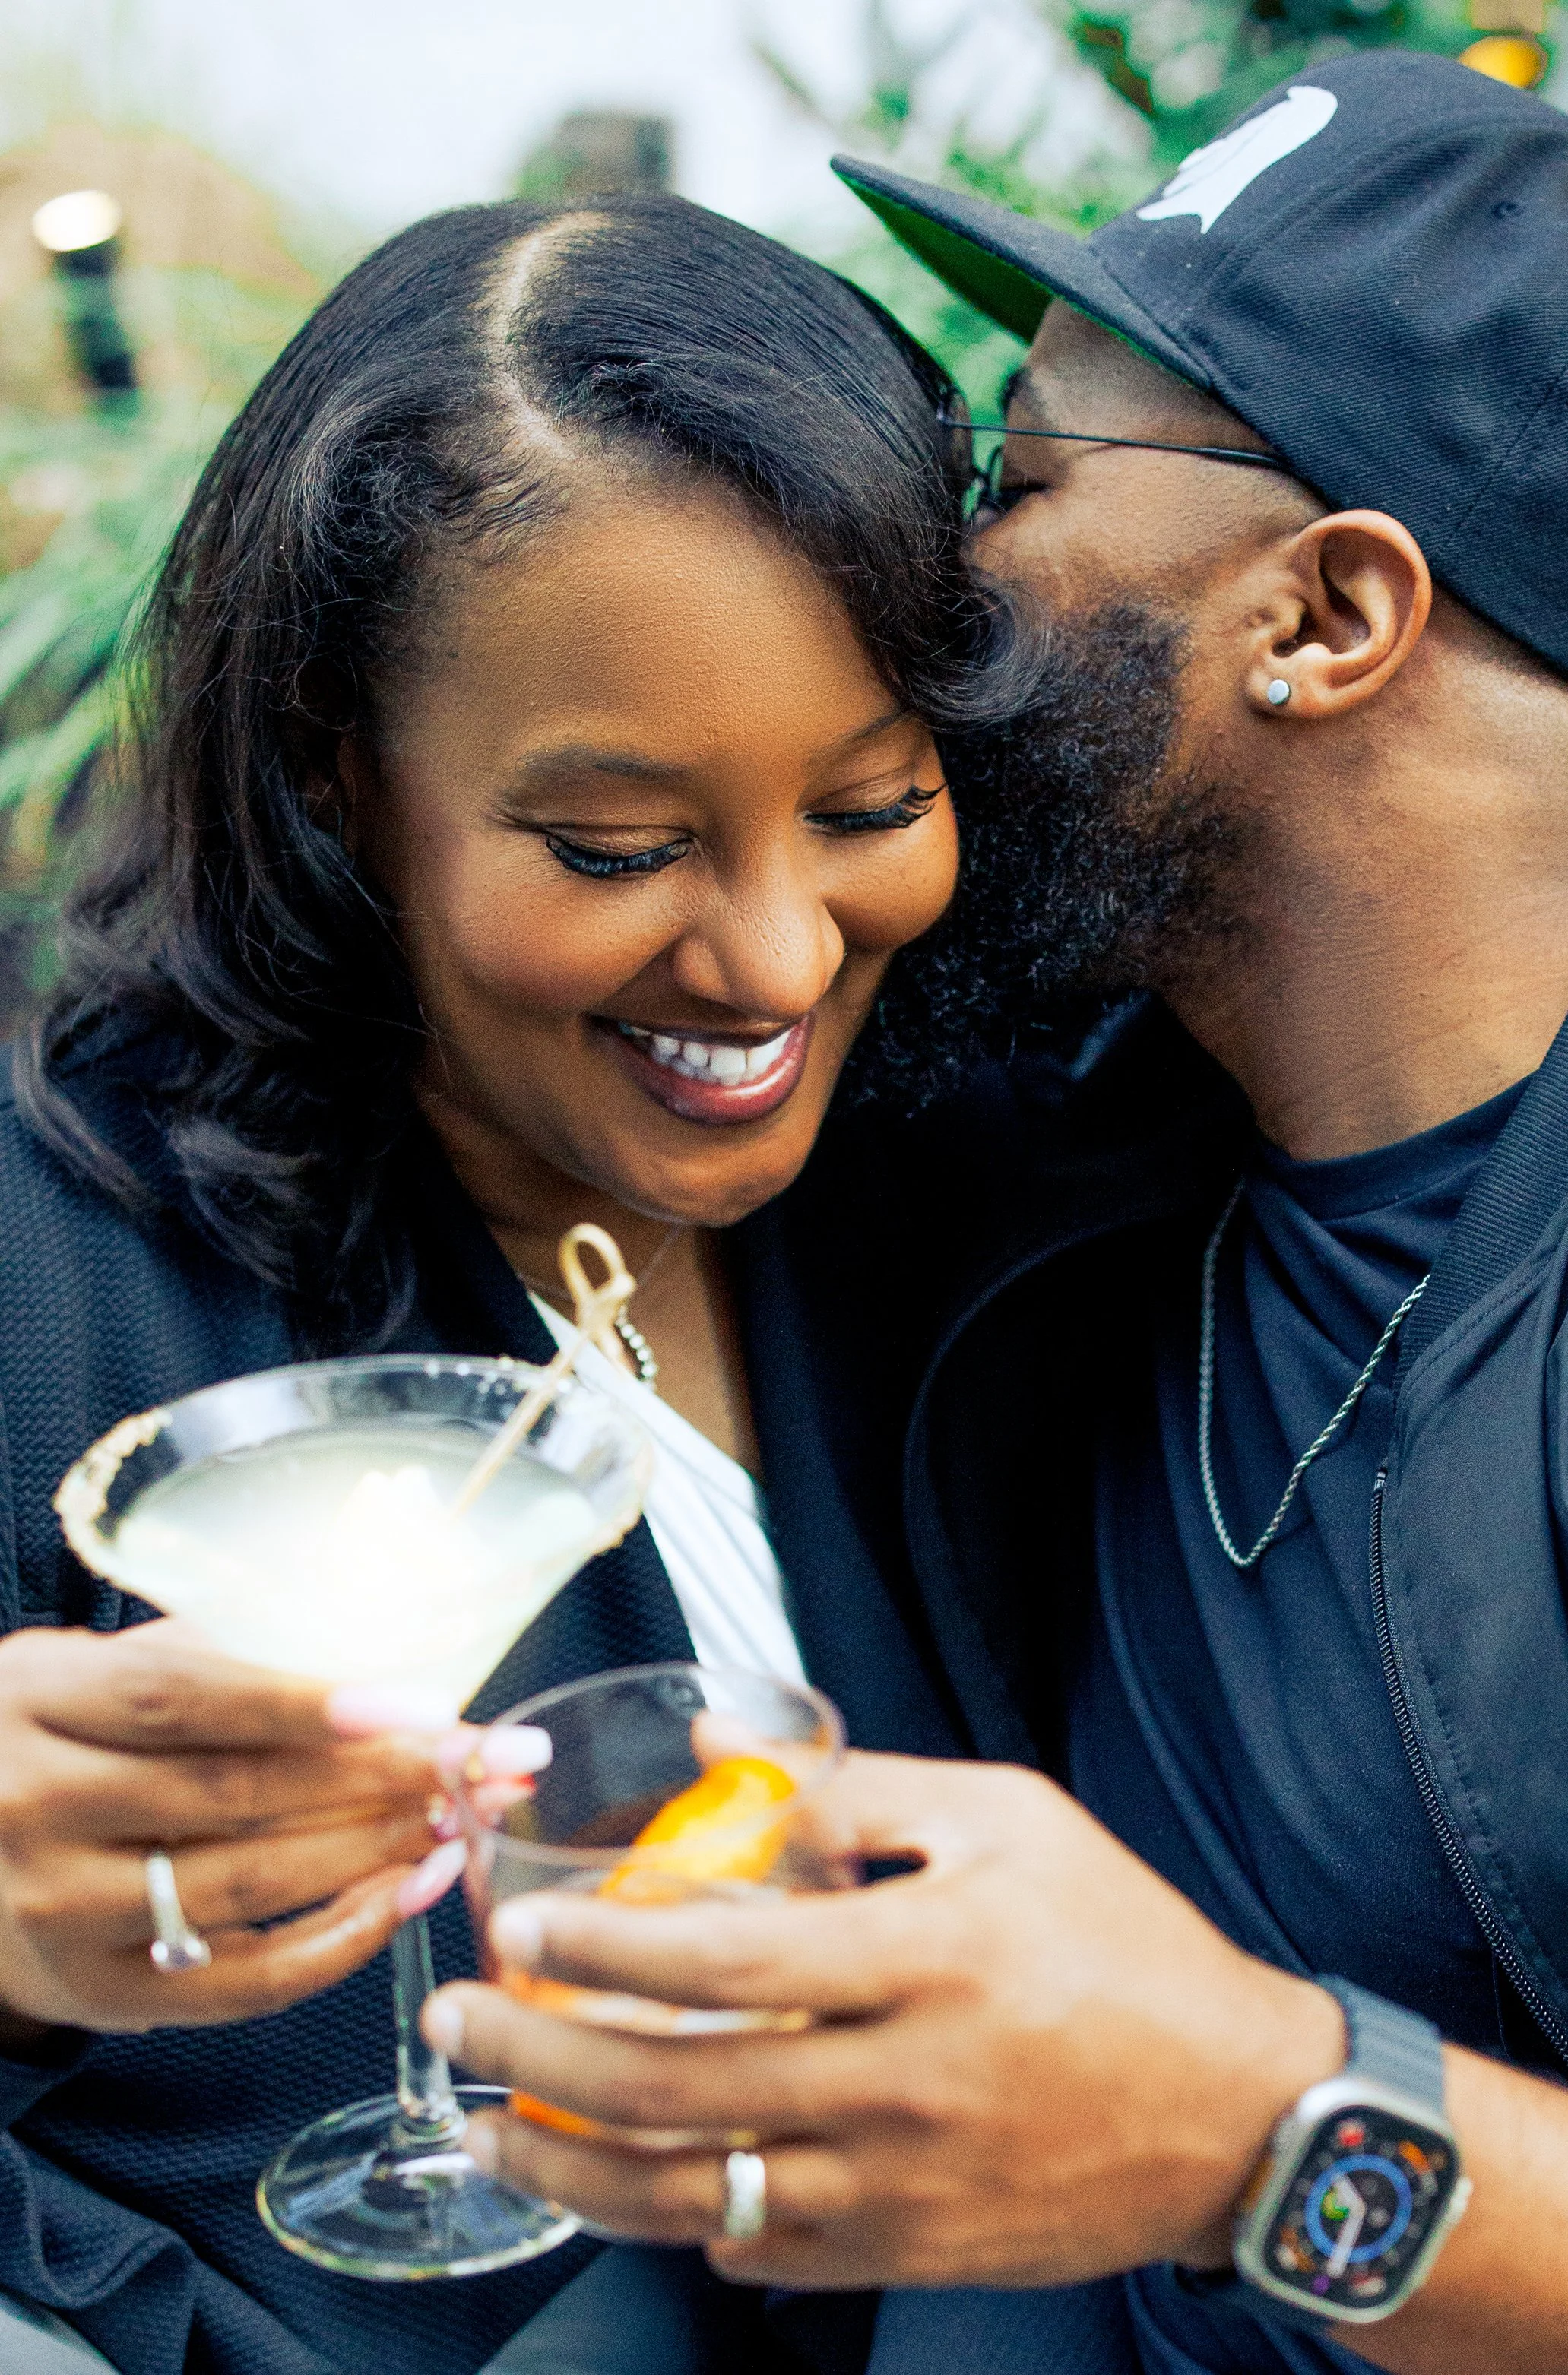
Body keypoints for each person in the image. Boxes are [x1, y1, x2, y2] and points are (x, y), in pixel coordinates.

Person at [422, 49, 1568, 2375]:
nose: (929, 588)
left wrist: (1266, 2139)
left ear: (1320, 617)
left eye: (1010, 483)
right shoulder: (1076, 1104)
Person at [0, 189, 1036, 2375]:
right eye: (612, 847)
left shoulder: (987, 1198)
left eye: (872, 800)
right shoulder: (51, 1248)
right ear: (331, 771)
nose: (766, 960)